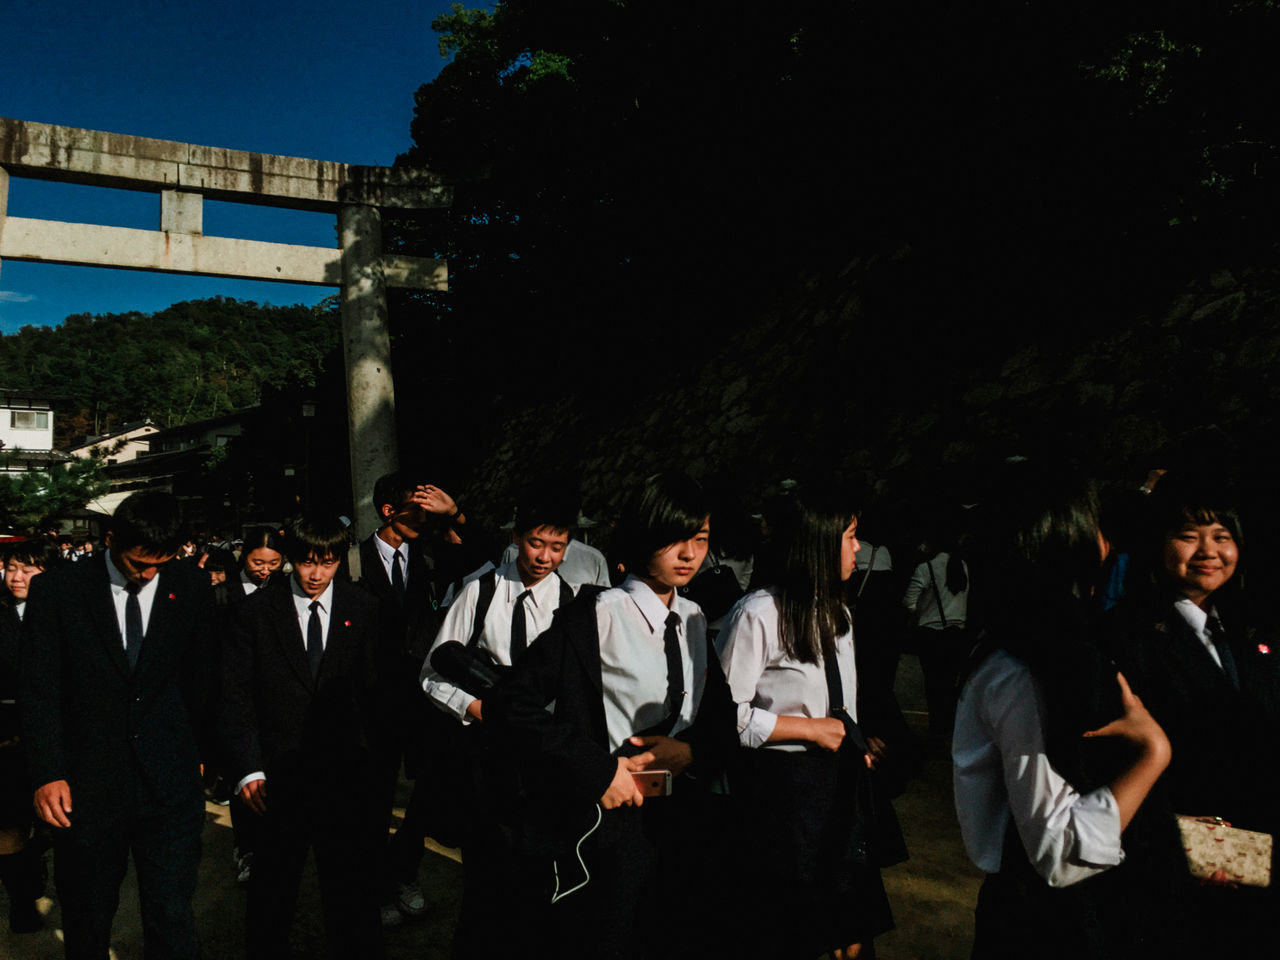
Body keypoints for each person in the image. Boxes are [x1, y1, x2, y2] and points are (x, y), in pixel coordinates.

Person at [485, 472, 738, 958]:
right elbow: (510, 702)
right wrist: (598, 769)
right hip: (608, 827)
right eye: (674, 539)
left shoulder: (694, 618)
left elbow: (721, 718)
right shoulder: (596, 614)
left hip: (683, 821)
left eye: (700, 539)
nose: (689, 553)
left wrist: (692, 751)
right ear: (645, 538)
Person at [952, 468, 1172, 959]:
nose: (1106, 540)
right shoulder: (1021, 670)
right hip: (1047, 927)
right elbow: (1058, 851)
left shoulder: (1046, 647)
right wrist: (1154, 754)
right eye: (1093, 524)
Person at [20, 491, 213, 960]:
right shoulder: (58, 591)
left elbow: (204, 680)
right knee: (88, 916)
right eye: (137, 564)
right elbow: (39, 690)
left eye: (159, 565)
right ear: (110, 540)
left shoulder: (190, 586)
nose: (147, 575)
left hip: (168, 784)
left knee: (171, 914)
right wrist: (48, 772)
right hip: (84, 786)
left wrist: (202, 756)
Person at [716, 488, 897, 959]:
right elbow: (724, 718)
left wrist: (854, 739)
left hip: (840, 786)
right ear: (818, 542)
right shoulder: (758, 613)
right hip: (784, 795)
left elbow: (842, 701)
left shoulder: (838, 613)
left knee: (852, 931)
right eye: (851, 537)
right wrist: (811, 729)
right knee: (795, 928)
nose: (859, 548)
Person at [1108, 474, 1280, 953]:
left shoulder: (1250, 632)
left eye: (1222, 537)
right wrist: (1186, 843)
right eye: (1188, 536)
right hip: (1172, 866)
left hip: (1255, 861)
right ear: (1157, 544)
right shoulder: (1126, 636)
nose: (1208, 551)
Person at [421, 494, 579, 956]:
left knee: (539, 877)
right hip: (485, 756)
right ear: (516, 538)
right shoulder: (480, 591)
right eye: (536, 543)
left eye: (557, 546)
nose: (545, 557)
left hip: (543, 759)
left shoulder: (572, 604)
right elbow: (432, 672)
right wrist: (478, 710)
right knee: (486, 879)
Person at [221, 514, 385, 959]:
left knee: (350, 888)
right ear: (290, 560)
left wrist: (372, 770)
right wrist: (247, 767)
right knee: (273, 889)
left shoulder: (363, 608)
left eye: (328, 563)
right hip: (274, 778)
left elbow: (375, 695)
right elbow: (235, 695)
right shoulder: (253, 612)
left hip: (345, 774)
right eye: (307, 563)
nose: (316, 575)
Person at [357, 471, 495, 926]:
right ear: (387, 511)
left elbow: (486, 559)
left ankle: (403, 870)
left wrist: (455, 512)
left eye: (428, 508)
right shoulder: (354, 560)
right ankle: (374, 887)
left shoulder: (433, 555)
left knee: (427, 795)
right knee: (374, 799)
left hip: (424, 700)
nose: (424, 515)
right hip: (372, 702)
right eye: (415, 507)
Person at [0, 540, 59, 933]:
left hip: (55, 736)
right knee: (8, 825)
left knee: (56, 822)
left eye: (29, 570)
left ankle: (38, 852)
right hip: (5, 738)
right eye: (11, 568)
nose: (17, 577)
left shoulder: (66, 613)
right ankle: (22, 903)